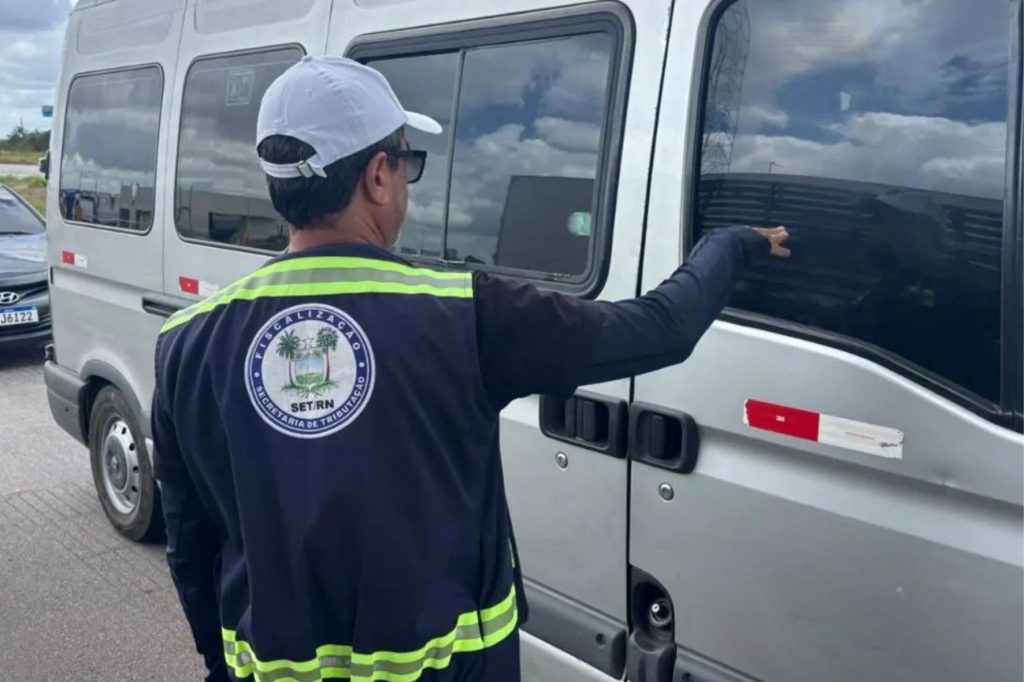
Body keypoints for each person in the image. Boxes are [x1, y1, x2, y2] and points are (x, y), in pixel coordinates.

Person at [152, 56, 791, 682]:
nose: (406, 183)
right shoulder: (467, 313)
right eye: (407, 163)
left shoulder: (186, 340)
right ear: (377, 177)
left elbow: (190, 542)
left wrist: (217, 661)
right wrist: (731, 243)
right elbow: (663, 327)